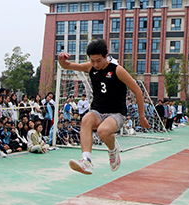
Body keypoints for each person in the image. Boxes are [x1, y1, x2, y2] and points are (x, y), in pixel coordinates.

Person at [59, 39, 150, 175]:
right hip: (97, 111)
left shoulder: (117, 70)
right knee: (85, 120)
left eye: (99, 60)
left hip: (116, 114)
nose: (95, 64)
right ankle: (86, 161)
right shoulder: (90, 67)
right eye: (92, 60)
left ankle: (113, 151)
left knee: (102, 131)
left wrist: (142, 116)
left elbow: (137, 91)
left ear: (106, 56)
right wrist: (61, 59)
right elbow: (67, 65)